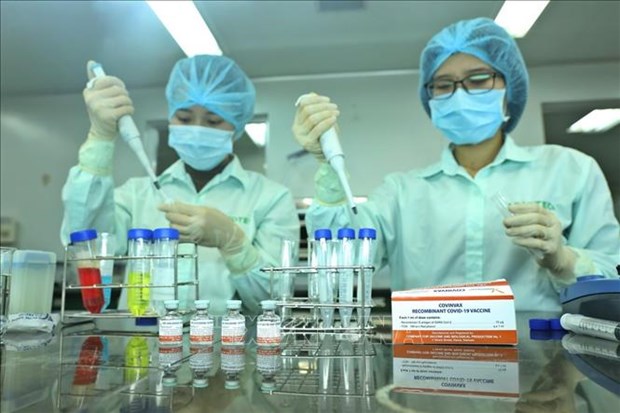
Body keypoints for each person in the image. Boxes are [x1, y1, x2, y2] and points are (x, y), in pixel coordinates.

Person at [292, 17, 620, 311]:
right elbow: (342, 260)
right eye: (444, 85)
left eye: (478, 79)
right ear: (430, 98)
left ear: (510, 89)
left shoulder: (570, 170)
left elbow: (610, 283)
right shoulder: (402, 191)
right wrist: (328, 167)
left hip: (545, 364)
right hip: (427, 364)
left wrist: (561, 260)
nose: (459, 94)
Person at [61, 54, 300, 315]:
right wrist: (100, 139)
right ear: (171, 118)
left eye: (213, 121)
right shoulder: (137, 194)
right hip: (141, 348)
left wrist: (235, 243)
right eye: (185, 118)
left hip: (231, 350)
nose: (197, 129)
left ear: (237, 124)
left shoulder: (270, 198)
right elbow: (85, 245)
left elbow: (276, 301)